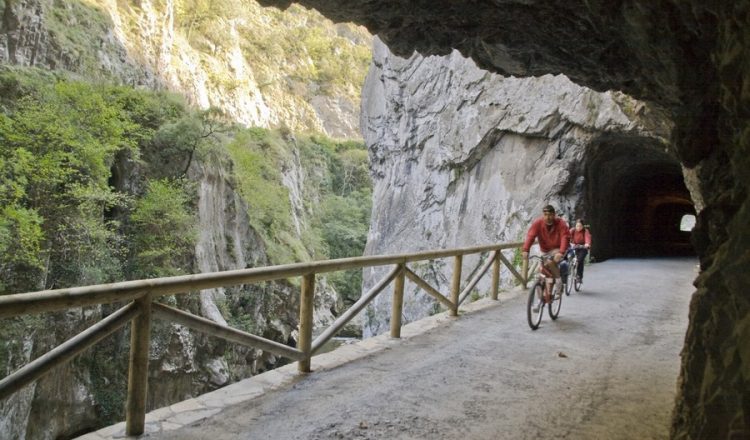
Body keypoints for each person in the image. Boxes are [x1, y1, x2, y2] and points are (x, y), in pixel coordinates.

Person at [522, 205, 570, 302]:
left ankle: (558, 281)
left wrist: (561, 252)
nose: (547, 217)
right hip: (544, 250)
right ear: (543, 215)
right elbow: (531, 236)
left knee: (550, 261)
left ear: (554, 215)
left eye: (550, 215)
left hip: (558, 248)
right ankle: (541, 299)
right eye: (545, 214)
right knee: (540, 271)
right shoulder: (538, 223)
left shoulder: (561, 223)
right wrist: (526, 250)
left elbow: (565, 237)